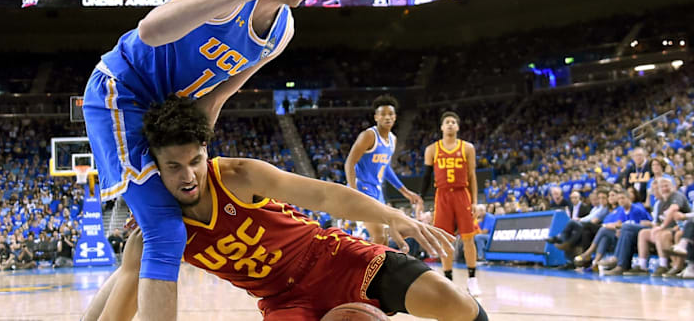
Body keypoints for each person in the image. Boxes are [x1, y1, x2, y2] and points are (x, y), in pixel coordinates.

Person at [81, 0, 345, 319]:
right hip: (121, 92)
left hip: (168, 117)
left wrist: (197, 160)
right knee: (165, 233)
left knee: (146, 244)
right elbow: (150, 31)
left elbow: (217, 96)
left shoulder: (282, 30)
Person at [82, 96, 488, 321]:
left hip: (335, 257)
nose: (188, 176)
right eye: (173, 167)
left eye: (194, 162)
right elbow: (124, 289)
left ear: (206, 152)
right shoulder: (158, 225)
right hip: (283, 303)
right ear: (156, 166)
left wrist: (392, 215)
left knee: (460, 308)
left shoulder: (238, 174)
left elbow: (326, 196)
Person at [344, 95, 423, 245]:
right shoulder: (368, 135)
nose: (387, 117)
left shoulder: (392, 140)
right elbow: (349, 162)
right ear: (376, 117)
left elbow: (385, 168)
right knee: (379, 236)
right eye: (383, 114)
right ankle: (371, 267)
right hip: (362, 188)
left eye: (390, 114)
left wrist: (405, 192)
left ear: (395, 117)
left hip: (377, 191)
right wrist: (353, 190)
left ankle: (376, 267)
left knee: (384, 238)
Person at [420, 112, 482, 296]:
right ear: (441, 127)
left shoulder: (467, 148)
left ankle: (472, 280)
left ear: (458, 127)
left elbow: (472, 176)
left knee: (468, 238)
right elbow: (426, 177)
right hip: (443, 196)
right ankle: (448, 280)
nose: (450, 125)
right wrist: (421, 199)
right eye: (447, 122)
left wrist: (475, 202)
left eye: (453, 122)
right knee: (445, 238)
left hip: (462, 194)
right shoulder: (432, 149)